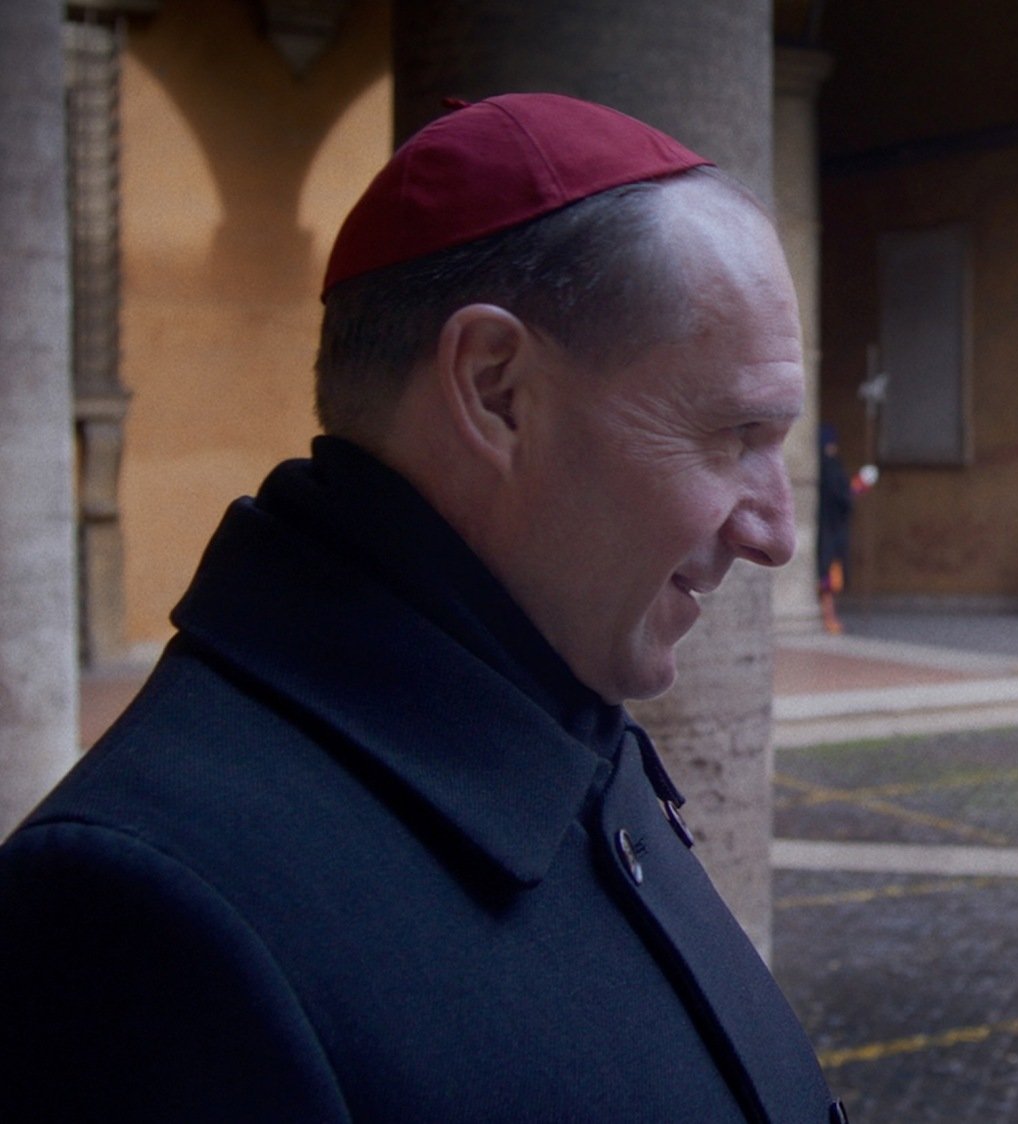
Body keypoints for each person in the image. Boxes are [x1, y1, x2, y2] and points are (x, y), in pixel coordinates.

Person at [0, 93, 845, 1123]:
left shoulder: (552, 701)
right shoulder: (133, 917)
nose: (775, 532)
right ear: (495, 389)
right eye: (732, 433)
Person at [817, 424, 854, 635]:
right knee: (829, 575)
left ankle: (830, 616)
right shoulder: (831, 466)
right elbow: (845, 495)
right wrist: (860, 485)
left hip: (826, 526)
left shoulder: (822, 465)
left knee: (829, 574)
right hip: (831, 529)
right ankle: (829, 617)